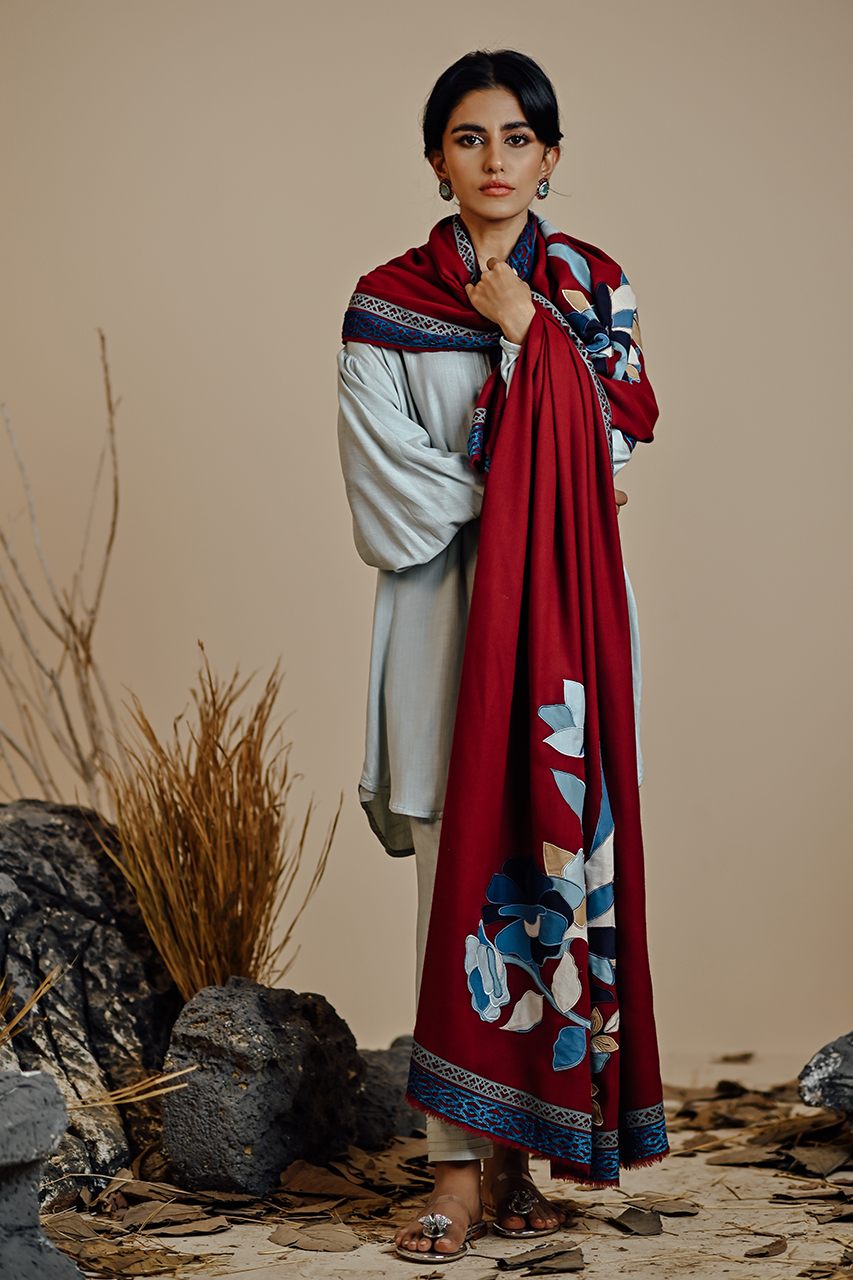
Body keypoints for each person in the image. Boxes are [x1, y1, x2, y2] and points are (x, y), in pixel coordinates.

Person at [338, 50, 668, 1263]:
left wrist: (530, 332)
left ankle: (520, 1156)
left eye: (517, 138)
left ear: (550, 157)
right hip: (447, 625)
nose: (494, 159)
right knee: (456, 888)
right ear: (435, 157)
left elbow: (619, 449)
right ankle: (452, 1170)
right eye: (469, 137)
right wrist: (541, 479)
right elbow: (390, 493)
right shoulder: (384, 303)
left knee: (559, 869)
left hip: (568, 620)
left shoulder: (593, 289)